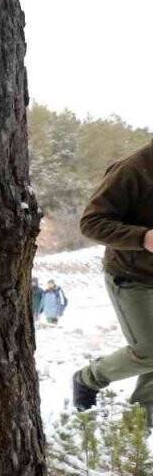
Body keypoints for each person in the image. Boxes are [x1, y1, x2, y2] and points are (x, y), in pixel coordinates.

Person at [72, 139, 153, 413]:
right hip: (131, 276)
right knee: (150, 351)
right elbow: (91, 223)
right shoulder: (133, 168)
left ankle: (145, 417)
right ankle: (88, 379)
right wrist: (142, 238)